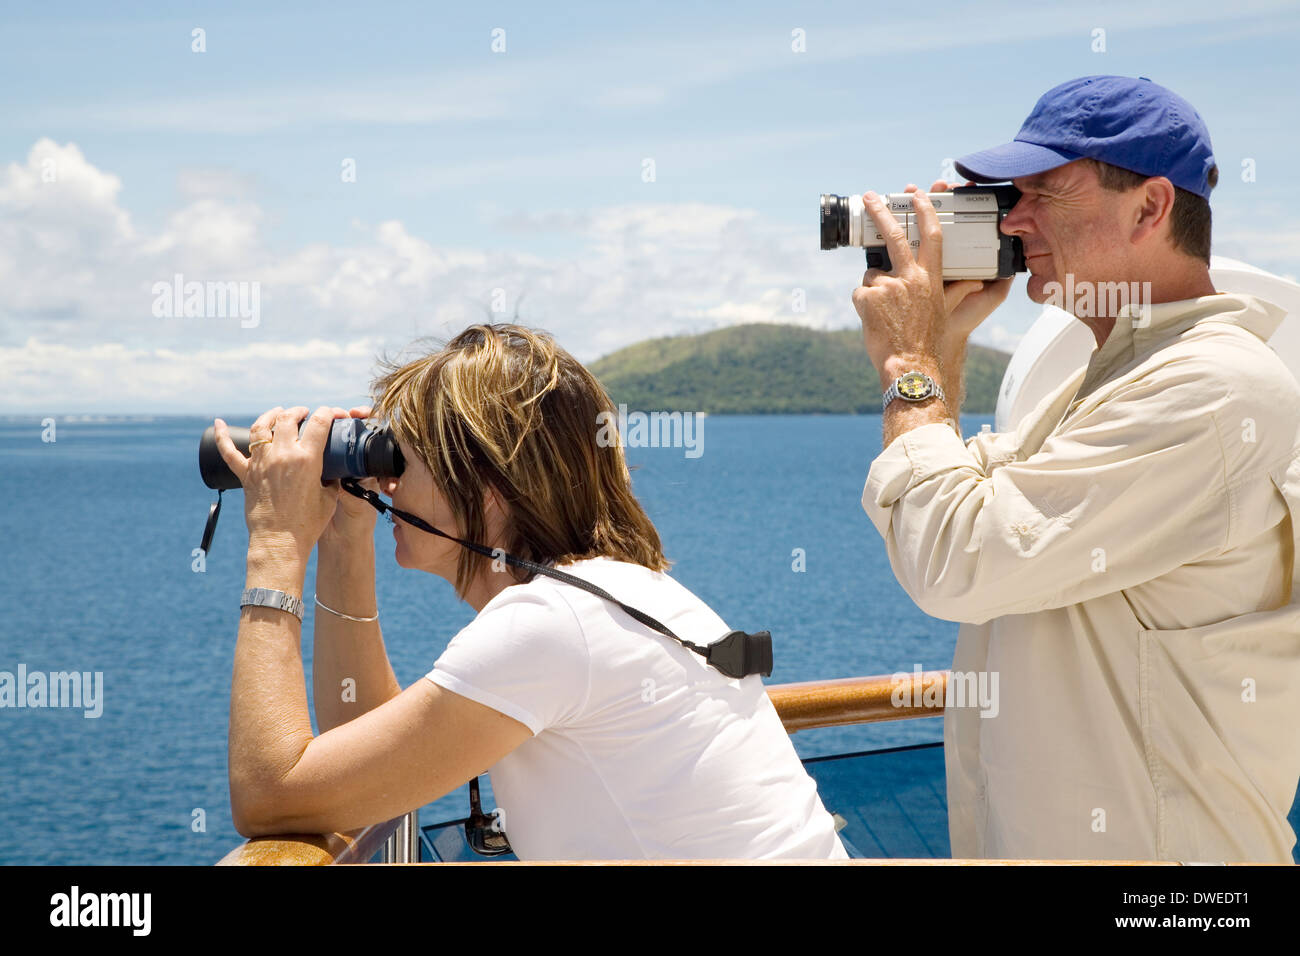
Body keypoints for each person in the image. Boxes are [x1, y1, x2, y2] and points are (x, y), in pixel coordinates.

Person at [851, 75, 1300, 862]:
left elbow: (956, 562)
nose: (1016, 222)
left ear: (1151, 207)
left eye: (1045, 193)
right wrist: (945, 349)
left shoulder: (1214, 390)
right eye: (1009, 197)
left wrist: (911, 364)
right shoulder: (1099, 385)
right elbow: (958, 499)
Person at [214, 323, 848, 861]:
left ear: (489, 483)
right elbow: (367, 768)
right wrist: (345, 539)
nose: (387, 483)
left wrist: (274, 544)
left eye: (404, 461)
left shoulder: (551, 624)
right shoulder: (615, 593)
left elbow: (269, 794)